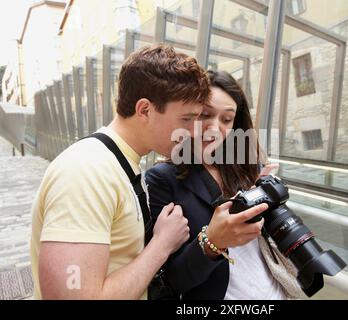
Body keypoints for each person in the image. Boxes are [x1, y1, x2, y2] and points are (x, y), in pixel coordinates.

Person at [29, 45, 211, 299]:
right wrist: (161, 245)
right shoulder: (87, 171)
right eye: (186, 119)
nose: (193, 131)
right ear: (145, 110)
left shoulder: (121, 161)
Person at [146, 70, 302, 300]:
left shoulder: (244, 168)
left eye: (226, 119)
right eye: (205, 115)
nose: (215, 127)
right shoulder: (163, 178)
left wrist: (268, 200)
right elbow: (172, 279)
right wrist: (211, 242)